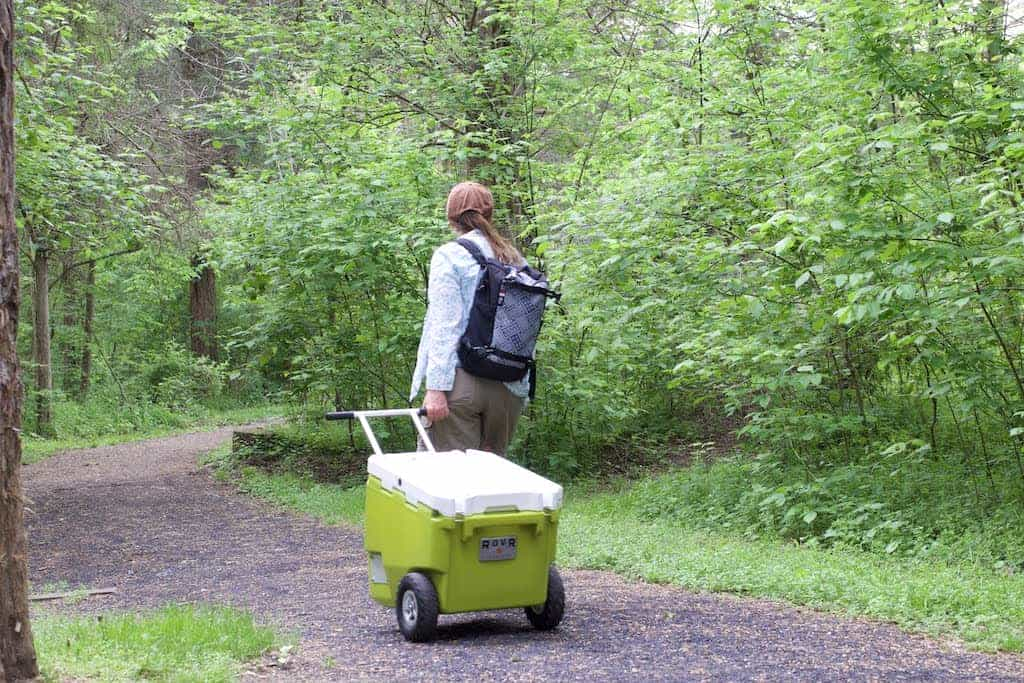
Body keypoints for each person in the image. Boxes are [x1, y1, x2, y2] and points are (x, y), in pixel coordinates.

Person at [409, 181, 528, 455]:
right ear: (490, 215)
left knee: (448, 482)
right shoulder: (514, 258)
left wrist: (436, 388)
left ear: (451, 218)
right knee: (490, 483)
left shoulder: (449, 256)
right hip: (509, 387)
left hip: (461, 383)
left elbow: (444, 324)